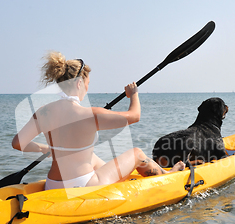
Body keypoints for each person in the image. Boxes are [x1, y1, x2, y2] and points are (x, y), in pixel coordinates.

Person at [12, 52, 185, 190]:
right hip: (82, 185)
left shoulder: (43, 111)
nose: (87, 87)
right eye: (87, 83)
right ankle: (166, 176)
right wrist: (134, 95)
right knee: (137, 153)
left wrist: (46, 148)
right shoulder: (90, 114)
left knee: (91, 157)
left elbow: (18, 143)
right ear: (79, 83)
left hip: (52, 184)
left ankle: (127, 176)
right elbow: (134, 116)